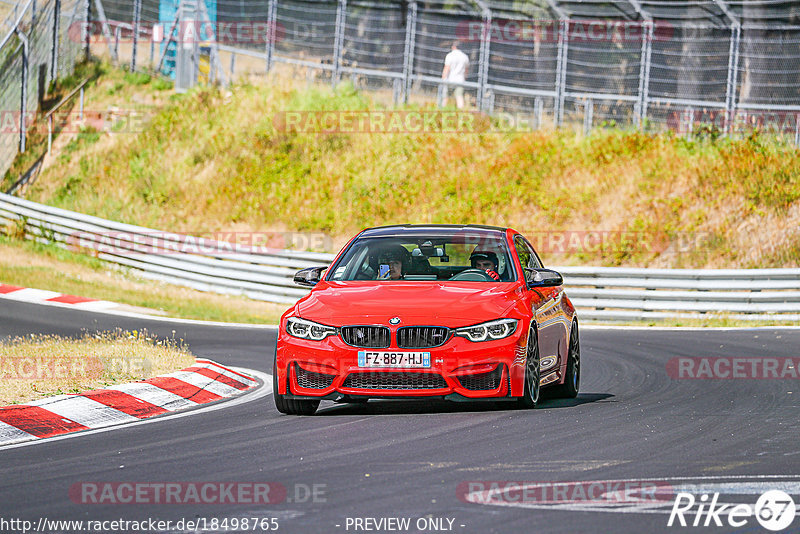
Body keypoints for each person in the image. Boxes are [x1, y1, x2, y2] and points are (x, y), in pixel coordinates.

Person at [442, 41, 469, 109]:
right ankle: (460, 112)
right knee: (459, 96)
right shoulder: (465, 57)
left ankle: (442, 110)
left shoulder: (450, 55)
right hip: (460, 80)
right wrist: (464, 78)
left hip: (449, 79)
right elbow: (466, 70)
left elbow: (447, 68)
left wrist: (443, 78)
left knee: (445, 97)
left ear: (453, 47)